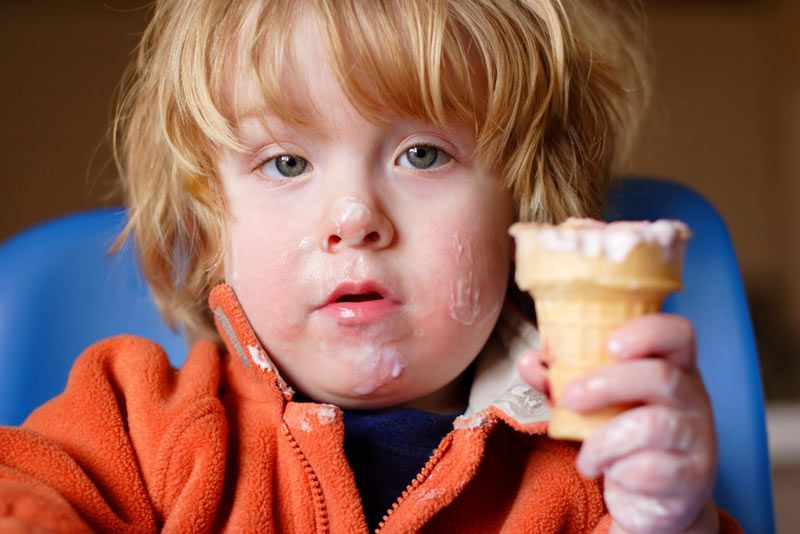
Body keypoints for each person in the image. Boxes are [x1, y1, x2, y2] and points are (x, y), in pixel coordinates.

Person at [0, 0, 740, 532]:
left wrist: (667, 521)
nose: (353, 217)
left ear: (525, 212)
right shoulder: (133, 427)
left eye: (423, 154)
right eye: (286, 162)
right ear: (208, 218)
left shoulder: (592, 472)